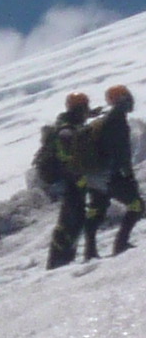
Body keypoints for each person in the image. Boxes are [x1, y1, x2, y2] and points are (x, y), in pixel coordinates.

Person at [40, 92, 107, 268]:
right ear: (79, 108)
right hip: (67, 180)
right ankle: (59, 261)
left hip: (67, 178)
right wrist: (77, 175)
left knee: (73, 218)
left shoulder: (69, 122)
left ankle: (62, 259)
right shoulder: (67, 130)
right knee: (71, 218)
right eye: (85, 107)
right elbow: (67, 155)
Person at [101, 86, 143, 257]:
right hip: (115, 175)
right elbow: (119, 152)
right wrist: (126, 174)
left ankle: (120, 244)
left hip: (110, 175)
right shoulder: (117, 120)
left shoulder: (115, 118)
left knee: (137, 205)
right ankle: (120, 245)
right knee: (137, 206)